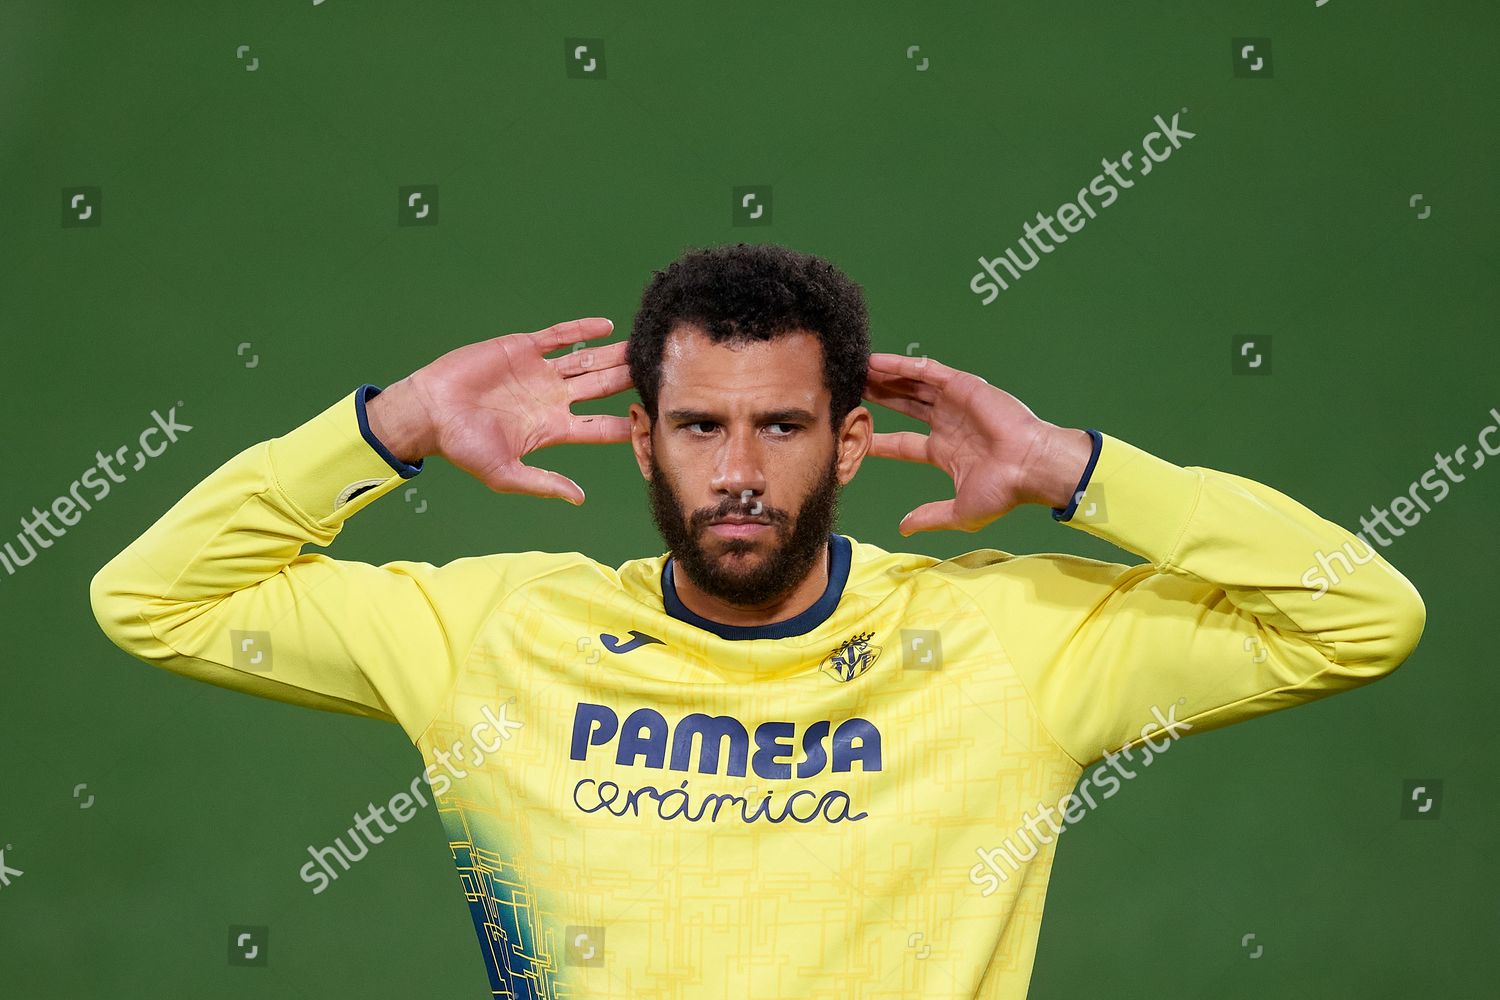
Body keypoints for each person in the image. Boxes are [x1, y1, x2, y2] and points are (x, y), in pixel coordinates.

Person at [90, 243, 1425, 998]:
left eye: (780, 425)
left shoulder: (1009, 643)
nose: (738, 468)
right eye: (700, 426)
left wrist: (1078, 469)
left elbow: (1356, 618)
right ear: (644, 446)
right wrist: (386, 431)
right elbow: (155, 598)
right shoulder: (495, 635)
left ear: (849, 444)